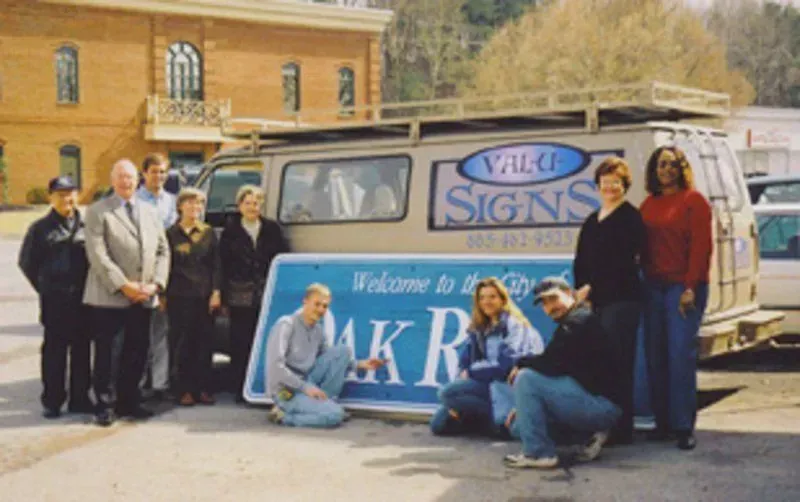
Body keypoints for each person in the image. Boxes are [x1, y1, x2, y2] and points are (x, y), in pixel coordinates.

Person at [83, 159, 170, 427]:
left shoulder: (148, 211)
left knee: (137, 351)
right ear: (112, 180)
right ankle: (106, 404)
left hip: (144, 296)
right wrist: (124, 285)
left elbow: (162, 251)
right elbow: (98, 255)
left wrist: (156, 284)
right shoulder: (99, 211)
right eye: (121, 177)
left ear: (138, 181)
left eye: (130, 177)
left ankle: (129, 400)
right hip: (111, 297)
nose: (126, 182)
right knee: (109, 353)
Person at [503, 277, 622, 469]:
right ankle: (587, 437)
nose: (549, 307)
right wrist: (525, 405)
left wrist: (521, 363)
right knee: (519, 426)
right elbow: (555, 367)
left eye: (553, 299)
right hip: (585, 402)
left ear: (568, 294)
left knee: (525, 377)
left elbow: (550, 363)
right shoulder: (572, 321)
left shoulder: (580, 320)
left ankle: (538, 454)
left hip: (601, 406)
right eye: (544, 303)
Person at [640, 146, 712, 451]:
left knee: (679, 356)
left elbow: (701, 247)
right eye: (660, 165)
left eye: (671, 164)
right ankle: (663, 423)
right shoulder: (648, 204)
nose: (666, 170)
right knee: (655, 356)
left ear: (682, 168)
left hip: (683, 288)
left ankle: (684, 427)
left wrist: (690, 287)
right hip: (652, 287)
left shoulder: (694, 201)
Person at [573, 156, 646, 445]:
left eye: (616, 182)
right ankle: (603, 421)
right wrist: (582, 289)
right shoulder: (593, 220)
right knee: (600, 363)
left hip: (622, 300)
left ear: (624, 185)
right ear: (598, 185)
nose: (610, 187)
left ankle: (621, 428)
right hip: (596, 302)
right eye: (605, 182)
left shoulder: (630, 217)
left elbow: (623, 263)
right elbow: (581, 260)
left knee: (618, 363)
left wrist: (593, 288)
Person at [430, 277, 543, 438]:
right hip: (484, 386)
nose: (486, 302)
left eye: (492, 297)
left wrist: (472, 372)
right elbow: (464, 362)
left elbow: (504, 368)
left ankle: (497, 420)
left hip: (504, 388)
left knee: (446, 393)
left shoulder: (514, 326)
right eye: (482, 297)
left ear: (503, 299)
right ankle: (483, 420)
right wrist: (464, 377)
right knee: (438, 424)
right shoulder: (480, 328)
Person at [18, 176, 93, 418]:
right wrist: (46, 287)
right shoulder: (40, 229)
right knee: (54, 353)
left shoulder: (87, 227)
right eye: (61, 194)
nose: (67, 198)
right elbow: (27, 263)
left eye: (71, 193)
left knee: (82, 351)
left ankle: (80, 398)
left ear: (78, 196)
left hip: (83, 299)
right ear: (51, 197)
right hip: (55, 301)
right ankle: (52, 400)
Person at [264, 283, 385, 428]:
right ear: (305, 301)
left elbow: (328, 359)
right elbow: (275, 367)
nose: (321, 309)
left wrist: (361, 364)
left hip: (307, 381)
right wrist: (305, 387)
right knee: (335, 415)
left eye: (325, 306)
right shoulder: (286, 325)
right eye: (317, 304)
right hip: (286, 391)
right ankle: (284, 416)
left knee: (343, 351)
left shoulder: (317, 330)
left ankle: (325, 404)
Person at [220, 184, 289, 403]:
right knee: (240, 341)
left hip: (266, 293)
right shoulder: (230, 231)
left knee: (266, 341)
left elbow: (283, 257)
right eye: (248, 203)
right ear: (240, 206)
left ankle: (262, 385)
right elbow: (222, 264)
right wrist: (222, 294)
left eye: (256, 202)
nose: (252, 207)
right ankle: (240, 387)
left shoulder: (272, 229)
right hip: (239, 294)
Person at [165, 188, 221, 407]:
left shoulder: (208, 233)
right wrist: (162, 294)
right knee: (181, 345)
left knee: (204, 344)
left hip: (204, 296)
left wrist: (216, 292)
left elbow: (216, 264)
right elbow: (165, 265)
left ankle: (203, 388)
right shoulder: (170, 234)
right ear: (180, 206)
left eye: (198, 204)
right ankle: (183, 390)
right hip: (179, 297)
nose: (194, 208)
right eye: (189, 203)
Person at [136, 153, 178, 401]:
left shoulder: (172, 202)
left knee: (161, 332)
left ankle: (160, 383)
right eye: (154, 171)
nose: (159, 176)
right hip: (140, 275)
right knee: (139, 333)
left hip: (166, 274)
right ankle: (138, 381)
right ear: (144, 174)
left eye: (163, 172)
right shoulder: (133, 200)